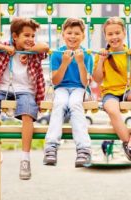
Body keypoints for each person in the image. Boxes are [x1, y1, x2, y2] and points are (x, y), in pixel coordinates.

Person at [0, 17, 49, 180]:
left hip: (26, 92)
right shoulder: (4, 48)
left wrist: (27, 51)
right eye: (26, 36)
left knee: (27, 114)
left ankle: (25, 159)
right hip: (2, 90)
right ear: (15, 36)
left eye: (32, 36)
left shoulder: (34, 53)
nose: (30, 39)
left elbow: (45, 46)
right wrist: (5, 48)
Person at [93, 17, 131, 161]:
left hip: (128, 89)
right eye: (110, 34)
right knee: (111, 109)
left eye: (117, 33)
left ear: (124, 33)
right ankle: (129, 146)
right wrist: (101, 62)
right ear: (105, 36)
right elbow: (97, 79)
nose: (114, 37)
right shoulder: (102, 54)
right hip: (110, 91)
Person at [43, 18, 92, 168]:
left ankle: (83, 149)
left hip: (79, 88)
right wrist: (64, 63)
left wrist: (80, 62)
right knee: (60, 103)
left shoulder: (87, 55)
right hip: (61, 88)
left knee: (75, 104)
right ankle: (51, 146)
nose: (73, 36)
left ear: (83, 36)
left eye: (77, 33)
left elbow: (85, 82)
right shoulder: (57, 54)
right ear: (63, 35)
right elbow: (56, 81)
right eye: (69, 32)